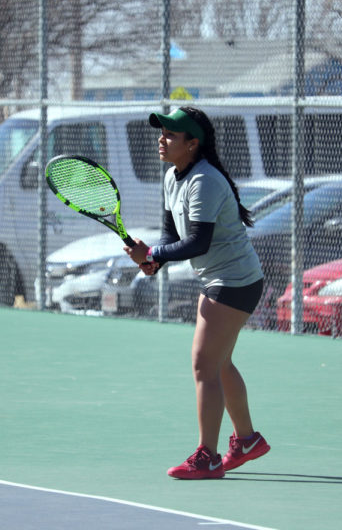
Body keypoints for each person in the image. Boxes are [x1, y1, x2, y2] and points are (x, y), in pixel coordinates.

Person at [124, 106, 270, 480]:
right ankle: (248, 441)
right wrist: (156, 259)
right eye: (162, 133)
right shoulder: (173, 179)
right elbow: (173, 237)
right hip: (225, 278)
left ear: (192, 144)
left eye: (170, 135)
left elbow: (198, 242)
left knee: (204, 364)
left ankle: (208, 456)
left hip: (233, 280)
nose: (161, 139)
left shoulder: (205, 181)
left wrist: (153, 255)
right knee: (219, 364)